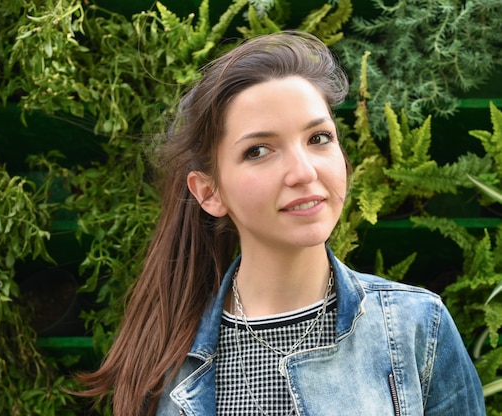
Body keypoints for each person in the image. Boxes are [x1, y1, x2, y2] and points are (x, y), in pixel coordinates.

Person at [74, 31, 485, 415]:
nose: (303, 172)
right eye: (258, 151)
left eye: (318, 138)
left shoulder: (416, 325)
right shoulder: (164, 359)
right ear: (209, 193)